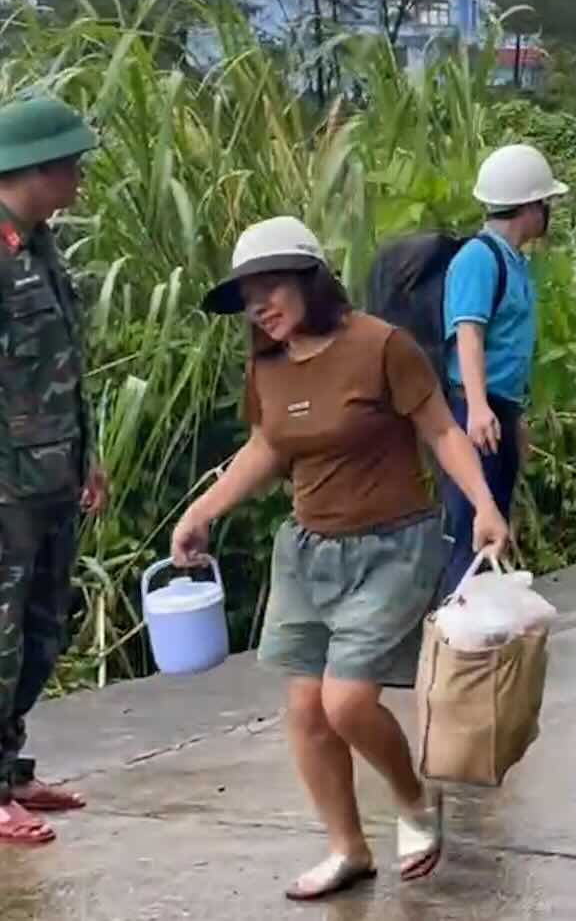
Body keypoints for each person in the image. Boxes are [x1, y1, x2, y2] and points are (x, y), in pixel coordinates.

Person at [170, 218, 511, 899]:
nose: (259, 306)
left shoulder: (381, 346)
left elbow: (442, 431)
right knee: (305, 711)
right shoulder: (268, 364)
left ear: (310, 280)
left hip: (392, 546)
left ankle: (413, 799)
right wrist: (201, 512)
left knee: (347, 701)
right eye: (247, 297)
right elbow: (267, 448)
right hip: (306, 553)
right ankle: (346, 848)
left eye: (270, 287)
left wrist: (485, 507)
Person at [0, 96, 106, 846]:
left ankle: (11, 768)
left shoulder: (40, 246)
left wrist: (85, 453)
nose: (77, 177)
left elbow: (62, 366)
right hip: (6, 486)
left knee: (40, 630)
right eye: (68, 164)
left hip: (53, 475)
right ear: (32, 169)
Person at [436, 144, 567, 601]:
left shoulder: (512, 260)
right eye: (544, 203)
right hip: (475, 410)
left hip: (497, 410)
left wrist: (513, 418)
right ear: (529, 207)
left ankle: (484, 631)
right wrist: (477, 407)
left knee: (493, 523)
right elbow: (468, 333)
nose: (547, 212)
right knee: (472, 529)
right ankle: (457, 631)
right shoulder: (479, 258)